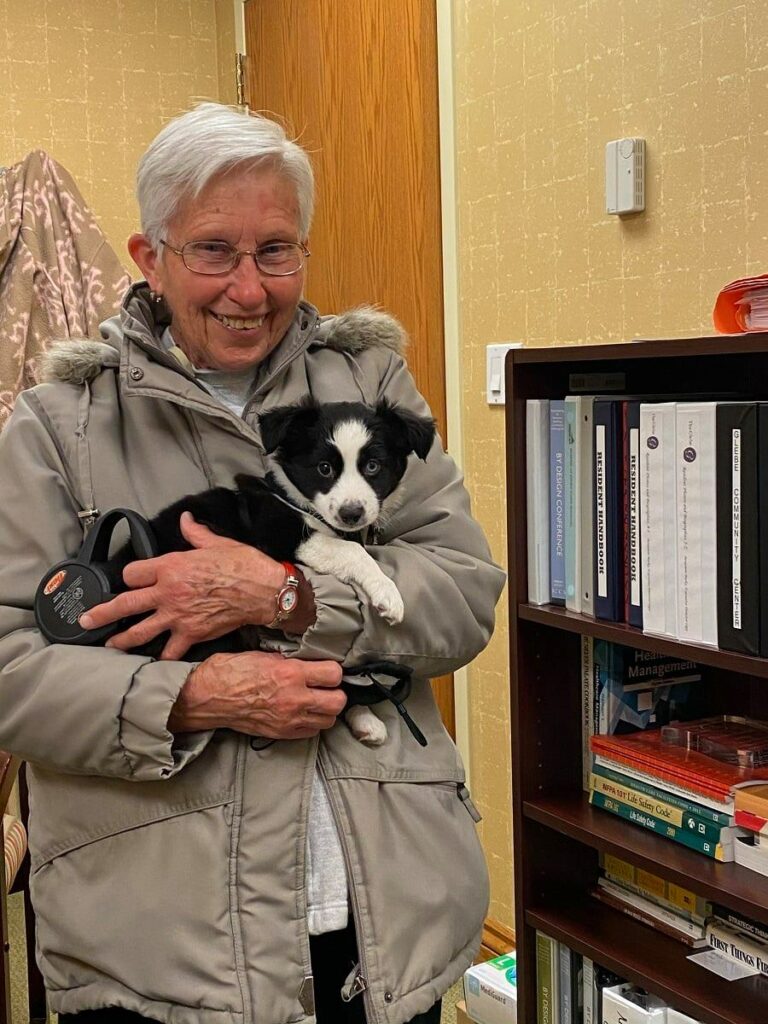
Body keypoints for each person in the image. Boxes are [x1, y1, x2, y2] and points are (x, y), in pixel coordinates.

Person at [0, 103, 505, 1024]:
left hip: (382, 923)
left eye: (276, 250)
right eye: (213, 251)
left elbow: (464, 596)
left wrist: (292, 598)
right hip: (158, 949)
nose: (249, 287)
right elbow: (9, 672)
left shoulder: (372, 386)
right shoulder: (55, 425)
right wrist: (193, 697)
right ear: (149, 256)